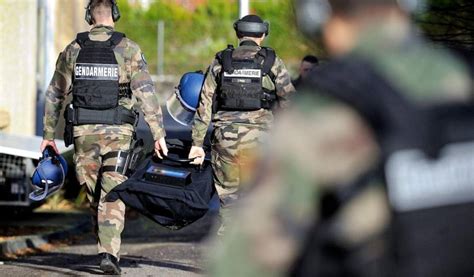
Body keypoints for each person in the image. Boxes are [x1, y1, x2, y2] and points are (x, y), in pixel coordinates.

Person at [206, 0, 474, 276]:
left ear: (318, 15)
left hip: (225, 138)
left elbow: (244, 261)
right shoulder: (464, 75)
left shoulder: (325, 107)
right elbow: (286, 94)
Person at [40, 0, 168, 274]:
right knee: (112, 192)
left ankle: (107, 251)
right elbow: (146, 93)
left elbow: (54, 95)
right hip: (119, 134)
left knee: (95, 195)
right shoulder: (129, 48)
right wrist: (159, 134)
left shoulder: (73, 50)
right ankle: (109, 252)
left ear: (89, 17)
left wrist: (48, 135)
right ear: (115, 16)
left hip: (84, 134)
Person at [187, 15, 296, 228]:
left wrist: (197, 144)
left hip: (224, 140)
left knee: (228, 203)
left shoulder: (221, 60)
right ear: (263, 35)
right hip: (260, 140)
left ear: (238, 34)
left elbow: (205, 103)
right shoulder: (272, 61)